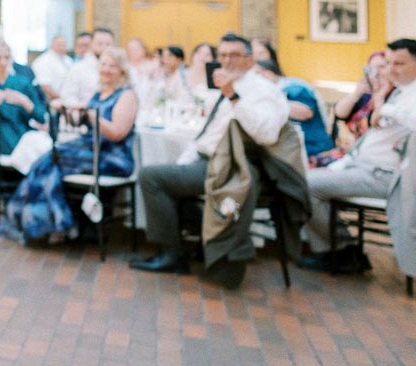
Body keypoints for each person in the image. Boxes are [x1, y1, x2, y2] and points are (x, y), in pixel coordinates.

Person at [129, 33, 289, 289]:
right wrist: (186, 159)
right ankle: (193, 246)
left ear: (249, 60)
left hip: (232, 168)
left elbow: (266, 134)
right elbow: (206, 134)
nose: (226, 61)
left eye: (234, 55)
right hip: (205, 161)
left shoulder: (262, 90)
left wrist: (233, 97)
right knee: (166, 177)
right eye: (222, 55)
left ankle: (170, 255)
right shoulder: (225, 87)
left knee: (151, 177)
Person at [299, 38, 416, 272]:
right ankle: (341, 248)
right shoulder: (399, 92)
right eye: (389, 63)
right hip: (362, 166)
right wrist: (381, 98)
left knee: (305, 185)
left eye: (399, 64)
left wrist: (386, 109)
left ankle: (340, 250)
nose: (391, 70)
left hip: (386, 176)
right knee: (303, 177)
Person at [0, 49, 138, 243]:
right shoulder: (96, 93)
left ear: (121, 70)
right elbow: (76, 119)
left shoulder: (126, 96)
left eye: (112, 65)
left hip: (112, 156)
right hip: (88, 149)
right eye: (103, 64)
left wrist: (91, 116)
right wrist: (64, 109)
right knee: (46, 162)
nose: (106, 69)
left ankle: (53, 225)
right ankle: (51, 223)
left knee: (50, 161)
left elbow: (117, 133)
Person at [254, 61, 334, 166]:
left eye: (256, 75)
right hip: (294, 152)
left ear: (268, 74)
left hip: (315, 151)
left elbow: (305, 112)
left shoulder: (294, 88)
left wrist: (269, 101)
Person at [58, 27, 114, 108]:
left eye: (108, 44)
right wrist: (83, 107)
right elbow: (67, 97)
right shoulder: (79, 68)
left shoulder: (120, 69)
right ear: (91, 45)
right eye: (100, 43)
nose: (104, 47)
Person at [31, 34, 73, 105]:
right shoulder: (43, 61)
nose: (62, 48)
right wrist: (62, 99)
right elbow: (45, 86)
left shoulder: (68, 60)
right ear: (52, 45)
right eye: (59, 45)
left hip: (70, 98)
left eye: (64, 45)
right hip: (51, 100)